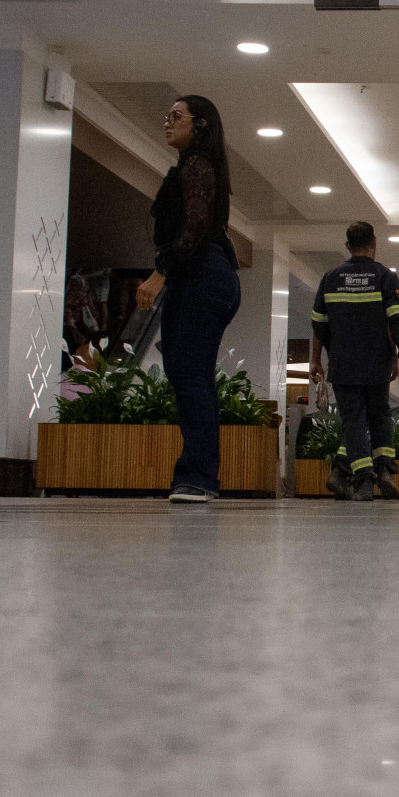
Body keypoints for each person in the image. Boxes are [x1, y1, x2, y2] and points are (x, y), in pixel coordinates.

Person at [135, 95, 240, 504]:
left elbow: (194, 228)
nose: (168, 121)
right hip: (204, 275)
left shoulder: (198, 166)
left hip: (202, 274)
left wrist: (159, 273)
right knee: (190, 374)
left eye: (177, 116)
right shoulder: (194, 166)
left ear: (201, 125)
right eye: (168, 115)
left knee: (189, 374)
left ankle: (198, 477)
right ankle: (200, 475)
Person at [308, 220, 399, 502]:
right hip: (376, 363)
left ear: (347, 245)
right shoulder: (385, 277)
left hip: (343, 364)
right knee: (380, 416)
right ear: (374, 243)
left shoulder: (330, 278)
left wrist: (319, 357)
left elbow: (319, 323)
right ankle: (385, 470)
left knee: (354, 421)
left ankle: (363, 481)